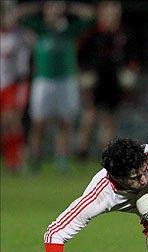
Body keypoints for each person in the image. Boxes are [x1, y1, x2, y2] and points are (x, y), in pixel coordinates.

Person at [18, 1, 95, 173]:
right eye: (51, 7)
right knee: (38, 123)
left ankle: (62, 160)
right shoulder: (39, 28)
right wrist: (40, 7)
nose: (54, 10)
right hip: (43, 81)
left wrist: (68, 7)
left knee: (64, 122)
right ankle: (35, 160)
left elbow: (90, 15)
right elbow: (18, 15)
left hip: (66, 80)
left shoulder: (69, 30)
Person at [77, 1, 139, 159]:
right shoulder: (92, 33)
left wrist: (130, 72)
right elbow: (80, 55)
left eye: (115, 12)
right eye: (110, 12)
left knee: (110, 119)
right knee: (89, 116)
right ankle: (81, 151)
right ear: (102, 13)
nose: (113, 15)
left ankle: (106, 154)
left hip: (114, 82)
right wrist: (83, 73)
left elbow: (133, 57)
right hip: (94, 81)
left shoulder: (124, 33)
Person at [0, 1, 30, 172]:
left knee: (12, 122)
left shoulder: (18, 37)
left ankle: (15, 159)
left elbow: (22, 65)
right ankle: (9, 159)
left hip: (11, 84)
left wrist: (22, 86)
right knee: (5, 125)